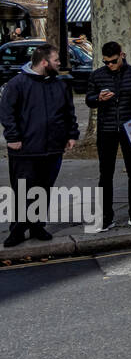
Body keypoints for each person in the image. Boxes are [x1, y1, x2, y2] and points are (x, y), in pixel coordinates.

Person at [0, 43, 79, 247]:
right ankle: (17, 230)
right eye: (56, 60)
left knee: (44, 188)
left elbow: (69, 112)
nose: (59, 63)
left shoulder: (59, 84)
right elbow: (7, 113)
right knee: (23, 190)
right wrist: (13, 137)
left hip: (52, 148)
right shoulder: (17, 84)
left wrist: (72, 134)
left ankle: (37, 226)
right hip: (24, 149)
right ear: (44, 62)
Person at [85, 41, 131, 232]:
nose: (110, 65)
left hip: (130, 128)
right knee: (105, 174)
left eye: (113, 61)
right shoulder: (97, 75)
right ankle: (106, 218)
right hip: (106, 130)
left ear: (121, 55)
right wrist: (98, 98)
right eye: (106, 62)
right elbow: (88, 100)